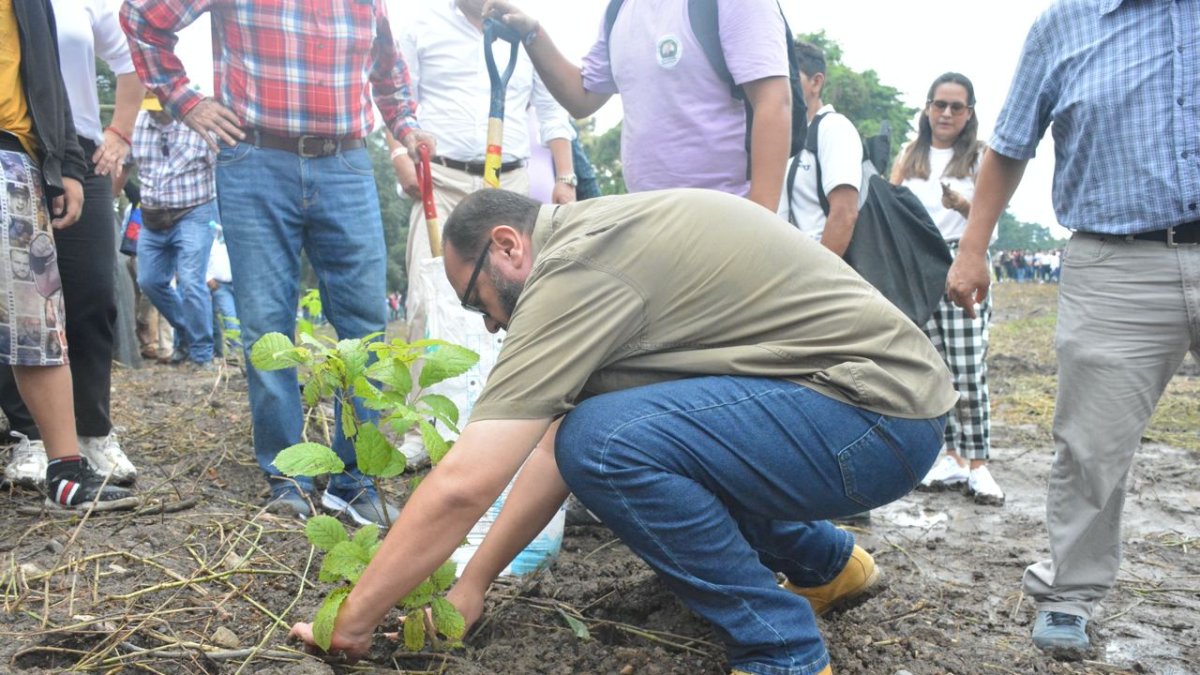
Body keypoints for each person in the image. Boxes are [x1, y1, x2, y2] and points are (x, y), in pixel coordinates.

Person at [291, 188, 958, 675]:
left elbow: (470, 481)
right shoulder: (599, 242)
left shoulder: (576, 269)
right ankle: (828, 566)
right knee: (612, 437)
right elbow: (553, 448)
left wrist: (353, 619)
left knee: (608, 444)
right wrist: (472, 585)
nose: (490, 324)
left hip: (873, 421)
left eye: (477, 301)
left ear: (507, 245)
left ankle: (781, 648)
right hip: (879, 415)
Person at [945, 0, 1200, 653]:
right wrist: (973, 248)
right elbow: (1010, 143)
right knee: (1091, 444)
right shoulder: (1067, 23)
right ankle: (1070, 592)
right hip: (1117, 259)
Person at [122, 0, 436, 525]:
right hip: (255, 159)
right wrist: (185, 100)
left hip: (347, 160)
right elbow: (141, 17)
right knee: (267, 324)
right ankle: (287, 476)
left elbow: (388, 70)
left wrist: (406, 125)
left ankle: (354, 482)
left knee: (366, 326)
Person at [385, 0, 576, 463]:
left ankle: (505, 425)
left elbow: (553, 111)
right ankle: (423, 430)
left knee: (518, 301)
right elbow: (396, 97)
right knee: (428, 299)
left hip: (508, 182)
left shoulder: (525, 32)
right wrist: (399, 156)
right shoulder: (419, 25)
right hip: (439, 177)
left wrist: (565, 177)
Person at [0, 0, 135, 509]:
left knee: (58, 308)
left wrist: (99, 146)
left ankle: (81, 445)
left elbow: (56, 75)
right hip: (27, 149)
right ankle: (29, 437)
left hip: (39, 149)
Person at [481, 0, 791, 210]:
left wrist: (760, 222)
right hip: (646, 216)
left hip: (727, 214)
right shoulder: (620, 9)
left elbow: (773, 102)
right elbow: (581, 97)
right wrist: (532, 34)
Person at [891, 72, 1004, 506]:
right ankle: (952, 456)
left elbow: (992, 218)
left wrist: (963, 205)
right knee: (935, 368)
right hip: (918, 266)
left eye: (957, 107)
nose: (946, 113)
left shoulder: (981, 157)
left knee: (968, 365)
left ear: (969, 113)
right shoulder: (910, 155)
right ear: (927, 108)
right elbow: (890, 205)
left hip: (962, 259)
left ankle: (978, 463)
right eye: (940, 104)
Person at [129, 93, 218, 369]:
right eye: (151, 109)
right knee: (149, 281)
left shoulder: (200, 125)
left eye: (161, 109)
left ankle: (201, 354)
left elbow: (221, 168)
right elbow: (122, 164)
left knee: (191, 281)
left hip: (194, 212)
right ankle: (189, 334)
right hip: (153, 217)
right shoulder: (136, 123)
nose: (156, 114)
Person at [780, 41, 864, 257]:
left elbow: (844, 214)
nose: (780, 85)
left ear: (816, 82)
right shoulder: (782, 135)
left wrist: (818, 274)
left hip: (813, 269)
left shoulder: (833, 128)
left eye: (790, 77)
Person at [205, 223, 238, 358]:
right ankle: (235, 351)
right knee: (230, 316)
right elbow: (202, 259)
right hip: (220, 285)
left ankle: (239, 351)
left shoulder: (238, 236)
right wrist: (208, 278)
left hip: (240, 283)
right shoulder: (210, 237)